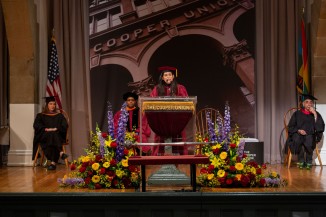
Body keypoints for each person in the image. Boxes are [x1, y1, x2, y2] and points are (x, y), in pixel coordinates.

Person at [150, 66, 189, 155]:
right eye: (165, 75)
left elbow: (187, 102)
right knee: (161, 137)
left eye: (169, 75)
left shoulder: (180, 88)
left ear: (173, 76)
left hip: (177, 120)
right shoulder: (157, 89)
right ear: (162, 78)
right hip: (162, 121)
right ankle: (160, 155)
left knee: (178, 136)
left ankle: (179, 155)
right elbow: (151, 102)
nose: (168, 77)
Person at [286, 94, 325, 169]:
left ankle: (308, 161)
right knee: (298, 138)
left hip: (310, 135)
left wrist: (315, 114)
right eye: (307, 102)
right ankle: (301, 160)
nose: (309, 104)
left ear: (312, 104)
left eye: (311, 102)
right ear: (303, 104)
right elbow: (290, 126)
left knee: (309, 138)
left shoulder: (315, 114)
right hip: (298, 134)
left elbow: (320, 126)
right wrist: (299, 130)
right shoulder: (297, 114)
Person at [32, 96, 68, 170]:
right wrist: (46, 129)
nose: (52, 106)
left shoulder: (59, 116)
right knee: (52, 135)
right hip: (44, 135)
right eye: (50, 104)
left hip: (56, 135)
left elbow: (65, 125)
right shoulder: (40, 115)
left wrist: (56, 129)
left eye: (54, 104)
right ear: (47, 105)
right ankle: (60, 152)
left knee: (53, 135)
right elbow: (36, 125)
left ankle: (53, 163)